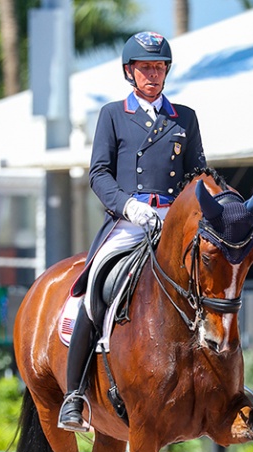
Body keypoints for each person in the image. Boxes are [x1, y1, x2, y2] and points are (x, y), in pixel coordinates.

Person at [58, 31, 206, 431]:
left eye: (159, 68)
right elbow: (99, 174)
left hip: (173, 226)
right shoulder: (113, 114)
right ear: (130, 72)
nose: (153, 75)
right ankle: (74, 395)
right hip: (128, 222)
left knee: (210, 284)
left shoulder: (184, 118)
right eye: (145, 68)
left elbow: (197, 175)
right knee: (96, 289)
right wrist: (130, 206)